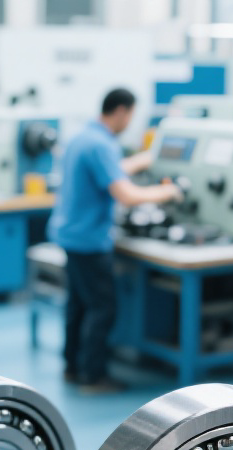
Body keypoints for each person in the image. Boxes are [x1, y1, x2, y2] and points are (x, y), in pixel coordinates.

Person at [48, 87, 182, 393]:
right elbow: (126, 194)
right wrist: (168, 192)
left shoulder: (83, 138)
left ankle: (72, 366)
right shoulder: (102, 145)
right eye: (130, 116)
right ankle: (93, 376)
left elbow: (111, 171)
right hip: (89, 239)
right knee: (102, 308)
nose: (129, 123)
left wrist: (146, 159)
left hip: (71, 234)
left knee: (78, 305)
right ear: (121, 111)